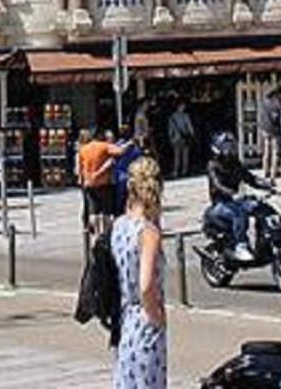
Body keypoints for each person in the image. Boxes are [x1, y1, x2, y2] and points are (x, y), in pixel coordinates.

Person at [111, 156, 166, 389]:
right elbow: (146, 285)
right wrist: (156, 317)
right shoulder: (148, 232)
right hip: (145, 324)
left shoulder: (120, 225)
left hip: (127, 321)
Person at [205, 132, 270, 261]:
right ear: (218, 149)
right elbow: (217, 185)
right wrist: (232, 193)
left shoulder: (235, 164)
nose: (230, 151)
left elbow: (249, 178)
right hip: (220, 204)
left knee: (261, 207)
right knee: (239, 213)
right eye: (226, 147)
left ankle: (265, 239)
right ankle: (241, 245)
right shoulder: (213, 165)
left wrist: (266, 185)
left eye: (231, 147)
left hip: (236, 201)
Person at [78, 130, 128, 233]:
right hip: (104, 183)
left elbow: (80, 167)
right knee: (106, 211)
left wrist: (82, 180)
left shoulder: (83, 149)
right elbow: (120, 151)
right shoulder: (104, 146)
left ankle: (96, 234)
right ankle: (105, 233)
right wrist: (129, 144)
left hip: (89, 183)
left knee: (94, 211)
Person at [112, 127, 144, 214]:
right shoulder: (135, 147)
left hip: (120, 175)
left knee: (120, 198)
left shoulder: (116, 146)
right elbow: (139, 159)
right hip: (133, 174)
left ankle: (120, 213)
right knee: (133, 197)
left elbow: (113, 160)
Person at [257, 88, 281, 182]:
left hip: (265, 129)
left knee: (266, 151)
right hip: (274, 130)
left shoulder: (263, 103)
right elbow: (276, 117)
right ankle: (273, 173)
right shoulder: (275, 105)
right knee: (275, 152)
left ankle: (265, 171)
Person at [167, 102, 194, 179]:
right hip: (184, 138)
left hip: (175, 138)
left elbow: (170, 129)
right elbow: (189, 127)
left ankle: (175, 171)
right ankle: (184, 170)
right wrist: (192, 135)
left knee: (176, 155)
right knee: (185, 155)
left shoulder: (172, 117)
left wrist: (170, 137)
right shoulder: (186, 116)